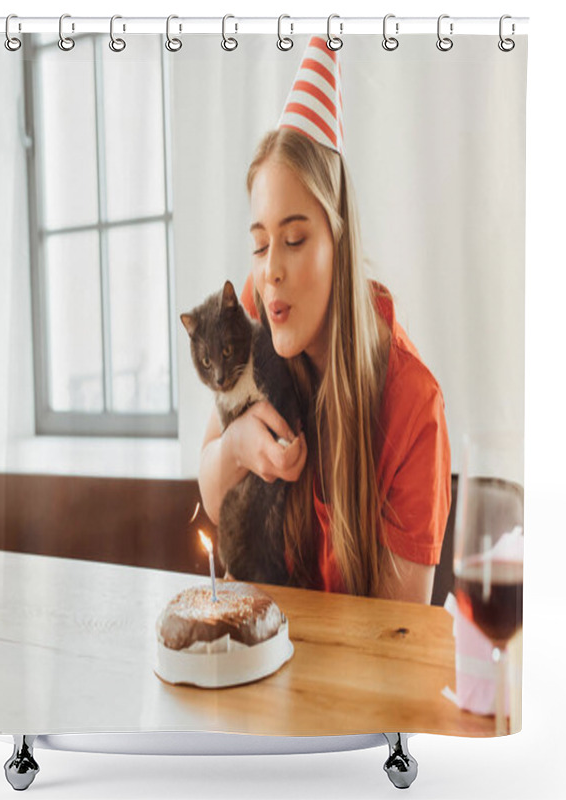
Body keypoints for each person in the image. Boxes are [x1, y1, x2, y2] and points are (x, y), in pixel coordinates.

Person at [198, 37, 451, 603]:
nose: (271, 273)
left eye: (293, 239)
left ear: (339, 240)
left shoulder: (412, 405)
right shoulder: (254, 318)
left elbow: (396, 643)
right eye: (261, 246)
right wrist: (238, 447)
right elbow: (213, 498)